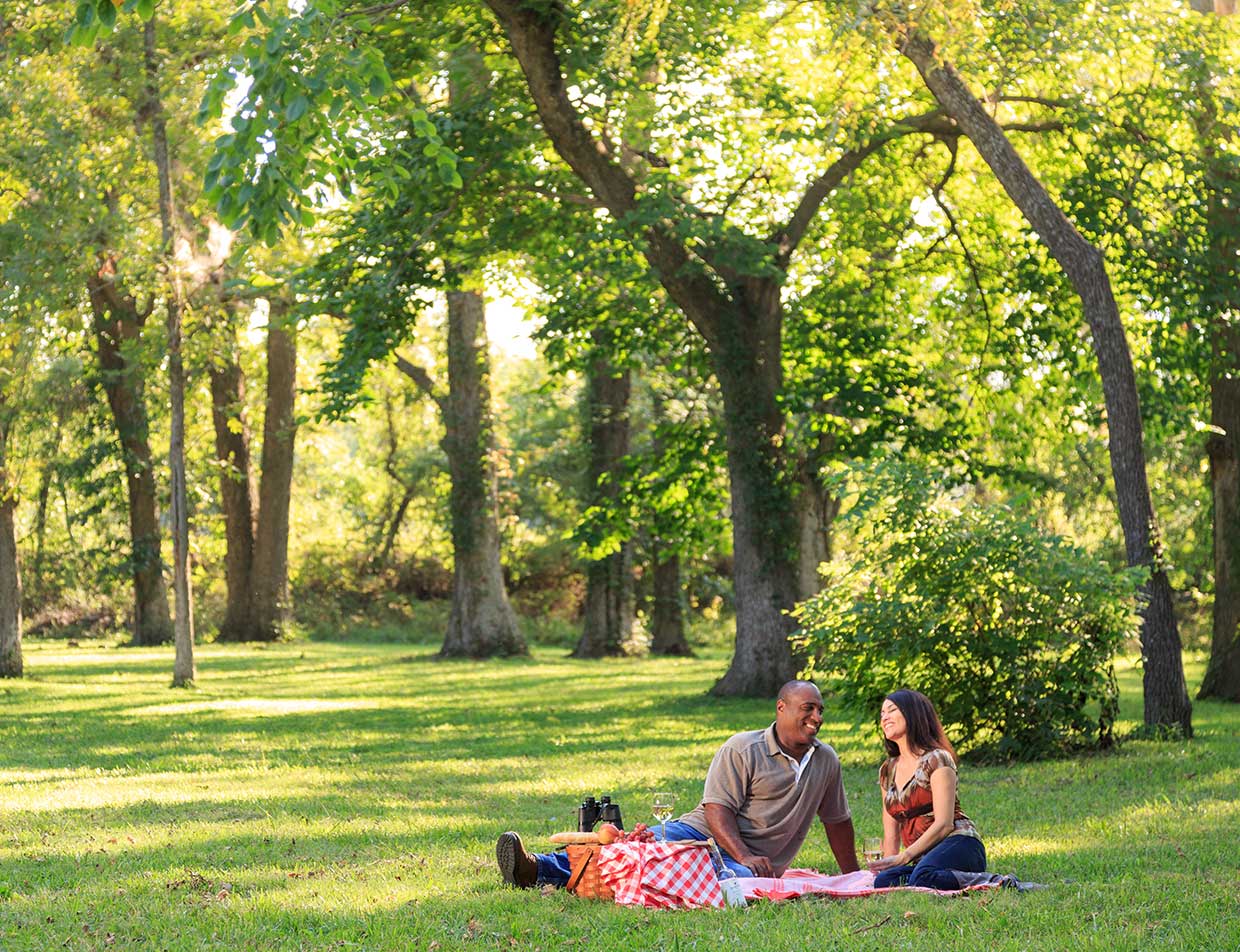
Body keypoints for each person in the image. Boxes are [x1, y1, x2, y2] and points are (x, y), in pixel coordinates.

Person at [496, 680, 859, 888]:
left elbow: (837, 821)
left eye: (820, 710)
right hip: (699, 833)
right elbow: (717, 809)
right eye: (808, 708)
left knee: (731, 881)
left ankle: (566, 877)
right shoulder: (743, 747)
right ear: (781, 708)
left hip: (745, 867)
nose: (817, 717)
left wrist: (852, 876)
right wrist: (743, 853)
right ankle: (536, 867)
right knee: (634, 851)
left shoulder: (825, 760)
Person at [867, 689, 986, 890]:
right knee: (884, 882)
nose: (884, 717)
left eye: (891, 710)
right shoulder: (887, 770)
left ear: (912, 713)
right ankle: (934, 875)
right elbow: (891, 834)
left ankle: (992, 880)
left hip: (959, 843)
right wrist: (888, 866)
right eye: (882, 714)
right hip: (924, 858)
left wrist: (905, 856)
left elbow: (944, 824)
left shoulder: (937, 759)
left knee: (923, 876)